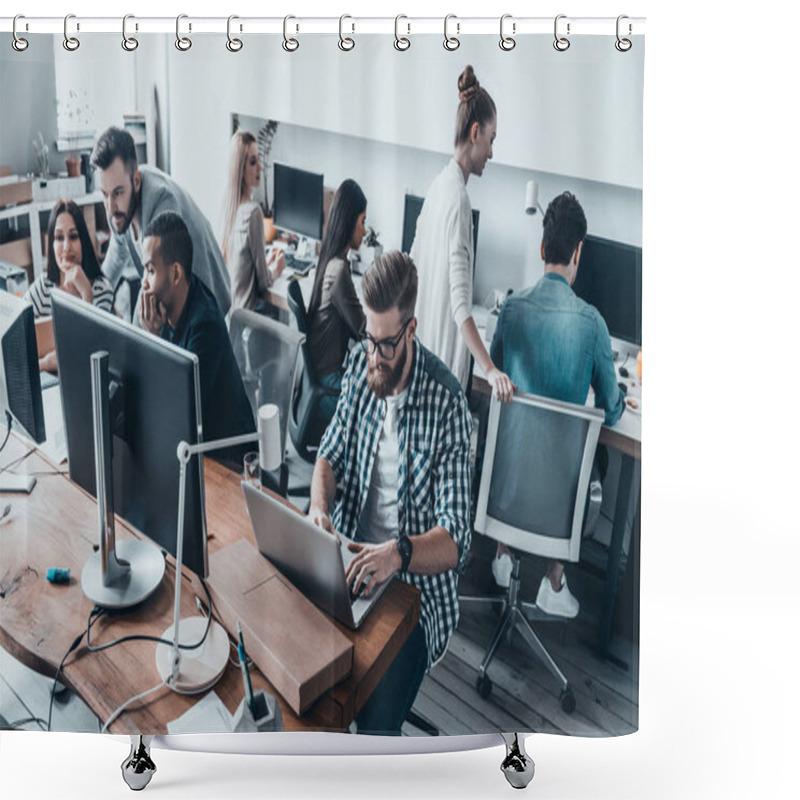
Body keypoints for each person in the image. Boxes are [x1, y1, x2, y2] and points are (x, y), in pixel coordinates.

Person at [308, 251, 472, 734]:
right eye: (369, 339)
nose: (375, 357)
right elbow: (328, 454)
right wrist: (319, 508)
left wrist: (396, 554)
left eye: (386, 345)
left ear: (412, 328)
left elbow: (457, 540)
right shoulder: (363, 364)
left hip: (414, 593)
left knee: (376, 721)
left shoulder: (447, 405)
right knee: (300, 671)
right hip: (351, 565)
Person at [489, 191, 625, 617]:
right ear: (577, 253)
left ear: (543, 248)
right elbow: (612, 410)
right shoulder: (593, 325)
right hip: (555, 503)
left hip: (505, 494)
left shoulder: (509, 310)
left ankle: (502, 551)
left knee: (518, 434)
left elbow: (494, 379)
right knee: (583, 455)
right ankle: (553, 578)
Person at [410, 65, 514, 403]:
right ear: (475, 132)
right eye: (491, 139)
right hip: (441, 377)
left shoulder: (438, 186)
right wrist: (490, 369)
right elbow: (460, 307)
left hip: (420, 363)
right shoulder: (459, 200)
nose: (492, 152)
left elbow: (411, 269)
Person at [138, 211, 255, 462]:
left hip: (229, 462)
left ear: (176, 273)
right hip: (199, 448)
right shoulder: (170, 307)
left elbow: (178, 412)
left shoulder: (204, 326)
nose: (143, 283)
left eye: (149, 270)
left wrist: (153, 337)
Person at [91, 126, 231, 322]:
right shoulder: (116, 209)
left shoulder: (162, 201)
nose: (110, 206)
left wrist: (131, 339)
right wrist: (91, 303)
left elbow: (159, 281)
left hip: (204, 295)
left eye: (118, 193)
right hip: (172, 299)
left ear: (136, 181)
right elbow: (115, 257)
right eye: (104, 194)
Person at [305, 178, 368, 427]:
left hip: (318, 382)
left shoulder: (329, 260)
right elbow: (363, 332)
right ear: (350, 221)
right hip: (327, 389)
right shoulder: (339, 271)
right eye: (362, 222)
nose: (364, 230)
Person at [24, 198, 113, 372]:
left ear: (83, 242)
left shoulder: (102, 289)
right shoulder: (43, 286)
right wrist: (46, 363)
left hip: (83, 378)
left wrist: (86, 294)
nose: (66, 247)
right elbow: (16, 332)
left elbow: (89, 351)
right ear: (51, 243)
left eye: (73, 236)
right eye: (58, 237)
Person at [220, 130, 285, 313]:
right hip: (250, 320)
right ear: (240, 169)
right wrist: (277, 269)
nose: (259, 168)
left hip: (232, 317)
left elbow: (242, 267)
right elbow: (264, 283)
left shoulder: (229, 206)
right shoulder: (253, 212)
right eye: (252, 162)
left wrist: (265, 261)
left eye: (258, 160)